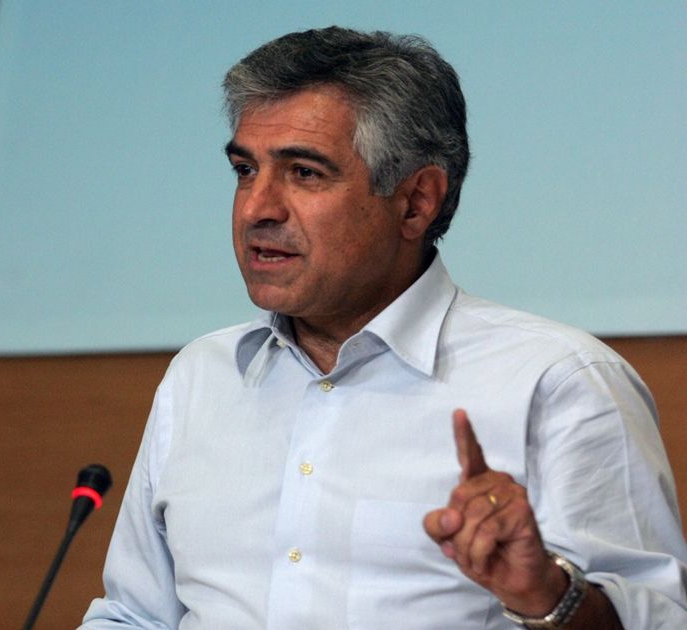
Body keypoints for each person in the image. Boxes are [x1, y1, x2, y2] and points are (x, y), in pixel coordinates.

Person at [81, 27, 687, 628]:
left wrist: (549, 597)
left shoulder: (557, 382)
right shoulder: (200, 377)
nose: (256, 208)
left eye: (304, 173)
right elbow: (135, 615)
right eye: (245, 169)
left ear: (416, 201)